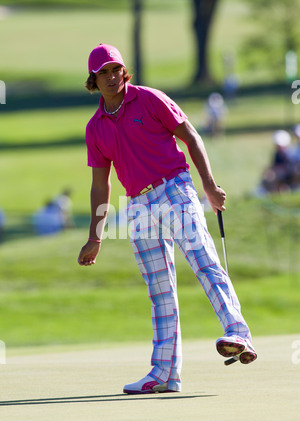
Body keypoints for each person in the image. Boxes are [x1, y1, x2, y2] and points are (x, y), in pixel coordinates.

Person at [78, 43, 257, 394]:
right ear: (94, 80)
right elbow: (101, 185)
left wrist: (208, 185)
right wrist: (95, 237)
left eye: (117, 69)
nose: (113, 77)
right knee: (159, 290)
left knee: (204, 261)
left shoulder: (149, 99)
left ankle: (239, 333)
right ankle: (164, 373)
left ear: (123, 71)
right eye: (104, 73)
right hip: (138, 205)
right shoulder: (95, 128)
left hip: (174, 188)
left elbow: (190, 136)